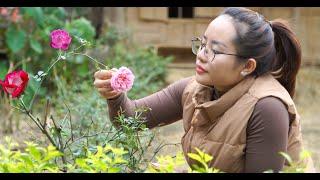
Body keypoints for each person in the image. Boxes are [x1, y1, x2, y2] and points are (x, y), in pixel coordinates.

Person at [93, 7, 315, 173]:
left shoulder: (268, 107)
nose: (200, 55)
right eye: (202, 44)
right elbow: (131, 119)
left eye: (215, 51)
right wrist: (115, 95)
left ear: (248, 66)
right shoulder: (194, 89)